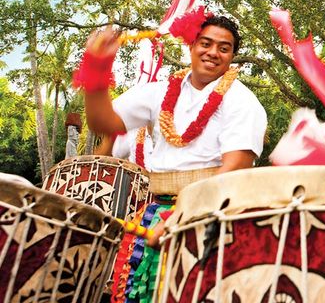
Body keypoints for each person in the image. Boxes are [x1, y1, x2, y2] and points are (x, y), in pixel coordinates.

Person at [77, 15, 267, 302]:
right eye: (206, 43)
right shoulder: (160, 92)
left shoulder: (243, 102)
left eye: (224, 48)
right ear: (191, 46)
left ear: (232, 56)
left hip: (215, 213)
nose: (213, 52)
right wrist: (96, 72)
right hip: (157, 212)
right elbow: (104, 123)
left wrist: (182, 215)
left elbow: (234, 169)